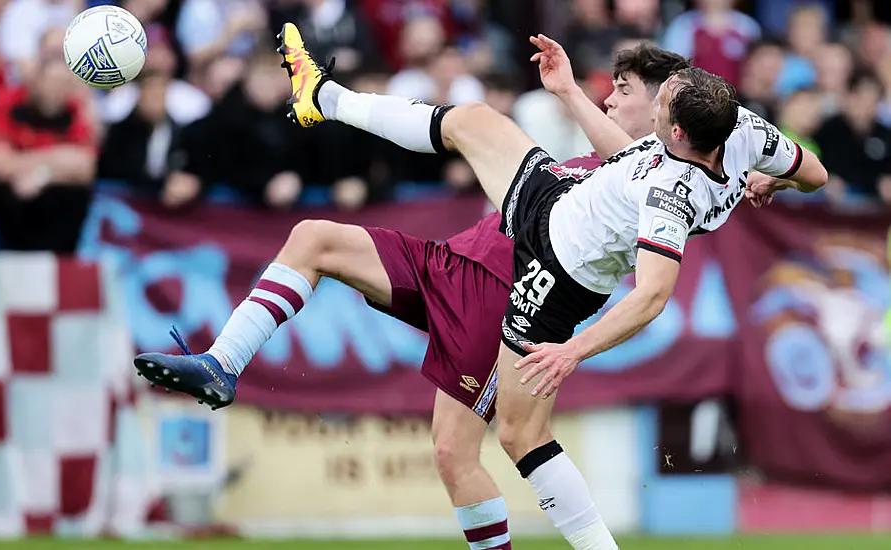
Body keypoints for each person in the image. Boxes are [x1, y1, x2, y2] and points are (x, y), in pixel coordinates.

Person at [263, 24, 825, 550]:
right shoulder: (744, 130)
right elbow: (816, 173)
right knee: (470, 121)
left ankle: (328, 99)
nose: (637, 102)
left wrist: (573, 352)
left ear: (676, 133)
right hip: (549, 212)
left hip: (554, 266)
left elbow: (653, 294)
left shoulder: (668, 194)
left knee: (515, 436)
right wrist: (773, 179)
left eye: (650, 99)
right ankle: (326, 98)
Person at [133, 27, 692, 550]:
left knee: (466, 450)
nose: (610, 100)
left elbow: (699, 177)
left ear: (666, 105)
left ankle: (327, 98)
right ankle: (222, 363)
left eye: (624, 91)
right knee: (313, 238)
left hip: (508, 293)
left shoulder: (665, 179)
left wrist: (755, 169)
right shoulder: (614, 162)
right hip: (453, 261)